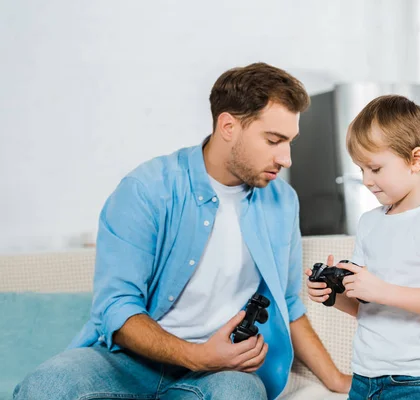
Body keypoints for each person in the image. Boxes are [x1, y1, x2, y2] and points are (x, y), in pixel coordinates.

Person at [14, 62, 351, 400]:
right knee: (46, 386)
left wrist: (335, 380)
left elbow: (288, 302)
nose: (287, 158)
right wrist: (195, 354)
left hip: (219, 374)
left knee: (238, 394)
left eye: (289, 141)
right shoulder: (146, 189)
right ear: (228, 126)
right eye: (274, 140)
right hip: (127, 363)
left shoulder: (282, 201)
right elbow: (116, 305)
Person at [306, 95, 420, 400]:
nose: (367, 180)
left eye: (376, 168)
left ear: (415, 159)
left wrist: (382, 290)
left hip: (418, 381)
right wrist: (333, 295)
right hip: (365, 377)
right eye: (361, 170)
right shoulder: (370, 222)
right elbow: (367, 306)